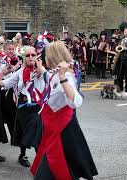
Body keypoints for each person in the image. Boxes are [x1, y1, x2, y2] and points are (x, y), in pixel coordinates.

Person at [30, 41, 98, 180]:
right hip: (53, 130)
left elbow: (75, 102)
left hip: (63, 132)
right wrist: (42, 70)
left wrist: (63, 78)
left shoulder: (66, 76)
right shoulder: (54, 74)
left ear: (53, 56)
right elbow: (49, 81)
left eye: (46, 55)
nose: (44, 58)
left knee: (52, 172)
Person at [0, 47, 42, 167]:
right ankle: (22, 155)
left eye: (33, 54)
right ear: (24, 58)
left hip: (36, 106)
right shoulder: (21, 71)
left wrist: (41, 69)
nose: (30, 57)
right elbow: (8, 83)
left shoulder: (41, 71)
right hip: (22, 105)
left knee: (36, 133)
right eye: (28, 55)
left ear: (37, 56)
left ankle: (40, 159)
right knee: (22, 131)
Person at [114, 27, 127, 94]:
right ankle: (119, 89)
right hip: (120, 60)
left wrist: (125, 48)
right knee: (119, 76)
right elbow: (118, 47)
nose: (126, 33)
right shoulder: (121, 39)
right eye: (125, 32)